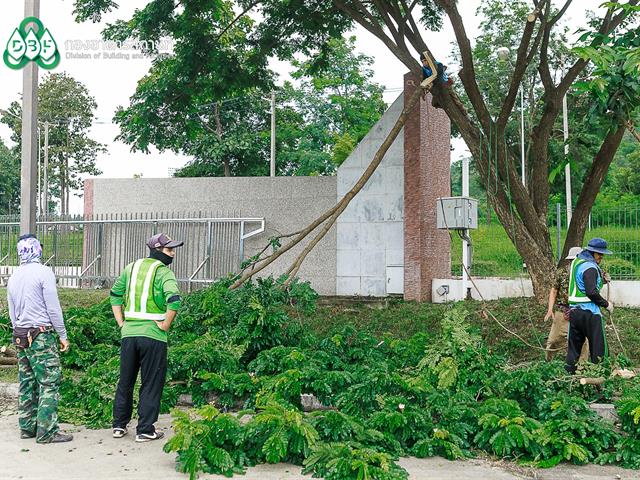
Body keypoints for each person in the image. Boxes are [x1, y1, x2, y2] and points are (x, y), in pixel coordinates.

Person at [110, 233, 183, 442]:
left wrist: (121, 322)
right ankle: (144, 430)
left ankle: (119, 425)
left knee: (125, 380)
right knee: (151, 383)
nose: (173, 254)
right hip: (153, 336)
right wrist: (166, 325)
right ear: (158, 250)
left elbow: (115, 295)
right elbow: (175, 301)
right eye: (169, 250)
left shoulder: (130, 268)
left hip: (129, 335)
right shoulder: (164, 272)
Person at [7, 234, 72, 443]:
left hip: (20, 335)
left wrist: (19, 330)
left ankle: (27, 427)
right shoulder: (44, 272)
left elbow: (11, 311)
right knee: (49, 381)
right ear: (37, 250)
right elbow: (53, 308)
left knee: (26, 381)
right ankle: (47, 431)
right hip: (40, 335)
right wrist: (63, 335)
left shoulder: (14, 276)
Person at [566, 238, 613, 374]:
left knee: (573, 350)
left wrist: (602, 281)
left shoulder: (577, 262)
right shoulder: (590, 267)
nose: (601, 257)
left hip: (575, 313)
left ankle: (569, 380)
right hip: (590, 313)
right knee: (599, 350)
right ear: (592, 252)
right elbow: (591, 292)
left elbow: (582, 284)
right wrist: (606, 304)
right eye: (599, 254)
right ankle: (601, 383)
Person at [543, 247, 589, 362]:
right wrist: (550, 310)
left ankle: (582, 367)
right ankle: (548, 364)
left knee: (583, 342)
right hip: (562, 312)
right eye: (572, 260)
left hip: (580, 312)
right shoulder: (561, 273)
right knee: (553, 340)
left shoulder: (586, 273)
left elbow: (595, 286)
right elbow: (554, 290)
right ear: (569, 261)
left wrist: (604, 279)